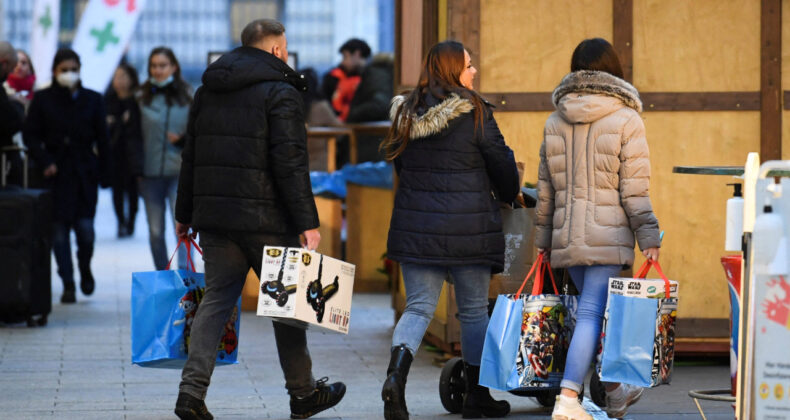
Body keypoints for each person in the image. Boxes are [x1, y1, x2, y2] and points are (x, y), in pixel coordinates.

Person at [173, 19, 346, 420]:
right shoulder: (281, 93)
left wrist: (184, 214)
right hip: (268, 221)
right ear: (275, 50)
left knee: (216, 302)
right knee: (286, 311)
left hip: (216, 219)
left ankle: (190, 394)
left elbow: (191, 157)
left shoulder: (208, 90)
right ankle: (302, 394)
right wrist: (308, 221)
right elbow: (289, 162)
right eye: (284, 47)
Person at [380, 40, 519, 420]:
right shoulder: (474, 111)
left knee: (419, 307)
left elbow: (403, 169)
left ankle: (395, 379)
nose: (474, 71)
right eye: (469, 65)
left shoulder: (405, 113)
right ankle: (477, 397)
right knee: (473, 311)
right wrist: (509, 194)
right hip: (469, 226)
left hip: (417, 227)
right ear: (453, 69)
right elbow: (501, 162)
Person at [535, 38, 661, 420]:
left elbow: (546, 192)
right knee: (592, 314)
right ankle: (569, 398)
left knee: (591, 315)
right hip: (608, 237)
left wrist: (542, 242)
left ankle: (615, 392)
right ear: (613, 70)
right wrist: (649, 236)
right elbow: (634, 190)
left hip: (566, 237)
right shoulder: (627, 119)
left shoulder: (554, 120)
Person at [23, 48, 109, 303]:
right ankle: (68, 281)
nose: (69, 74)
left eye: (73, 69)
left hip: (83, 175)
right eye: (64, 70)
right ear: (54, 71)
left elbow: (103, 139)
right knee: (58, 234)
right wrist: (45, 160)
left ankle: (84, 267)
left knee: (86, 231)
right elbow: (31, 135)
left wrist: (105, 174)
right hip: (55, 175)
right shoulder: (43, 99)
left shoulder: (93, 99)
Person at [139, 47, 192, 270]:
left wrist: (182, 140)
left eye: (163, 65)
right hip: (148, 173)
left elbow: (199, 131)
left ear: (174, 67)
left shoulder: (188, 96)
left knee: (180, 228)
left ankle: (184, 277)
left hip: (178, 172)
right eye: (154, 66)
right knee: (155, 231)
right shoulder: (141, 97)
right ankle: (162, 275)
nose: (158, 70)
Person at [105, 63, 143, 238]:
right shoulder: (108, 100)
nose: (119, 80)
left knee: (133, 190)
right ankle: (120, 221)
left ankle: (131, 222)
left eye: (123, 76)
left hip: (133, 153)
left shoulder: (138, 100)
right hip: (114, 152)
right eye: (116, 76)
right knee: (117, 190)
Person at [322, 38, 370, 121]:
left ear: (357, 54)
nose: (342, 62)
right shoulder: (333, 76)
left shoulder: (370, 78)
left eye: (345, 57)